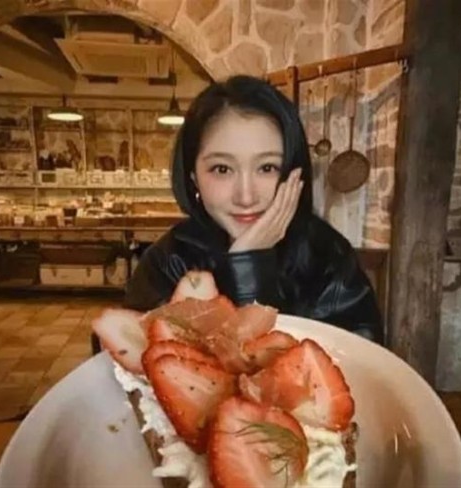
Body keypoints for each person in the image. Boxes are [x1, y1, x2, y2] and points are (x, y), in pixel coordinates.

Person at [124, 75, 383, 344]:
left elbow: (360, 361)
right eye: (222, 169)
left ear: (294, 172)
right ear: (193, 178)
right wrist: (247, 263)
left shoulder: (328, 257)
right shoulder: (168, 262)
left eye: (267, 167)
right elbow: (127, 357)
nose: (246, 197)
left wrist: (249, 263)